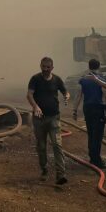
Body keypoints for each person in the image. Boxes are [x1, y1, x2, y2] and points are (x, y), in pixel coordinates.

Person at [26, 56, 70, 186]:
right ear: (40, 66)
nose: (45, 69)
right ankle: (44, 169)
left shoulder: (57, 79)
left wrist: (66, 96)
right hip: (39, 119)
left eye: (48, 67)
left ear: (52, 67)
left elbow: (65, 91)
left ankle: (61, 174)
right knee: (41, 146)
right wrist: (35, 106)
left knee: (57, 145)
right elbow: (29, 94)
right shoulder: (35, 79)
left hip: (54, 118)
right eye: (43, 67)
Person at [72, 58, 106, 168]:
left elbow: (78, 96)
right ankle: (97, 161)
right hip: (98, 109)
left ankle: (92, 157)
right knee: (98, 135)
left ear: (88, 66)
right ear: (99, 66)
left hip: (87, 109)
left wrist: (75, 110)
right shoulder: (101, 80)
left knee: (91, 133)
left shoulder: (82, 80)